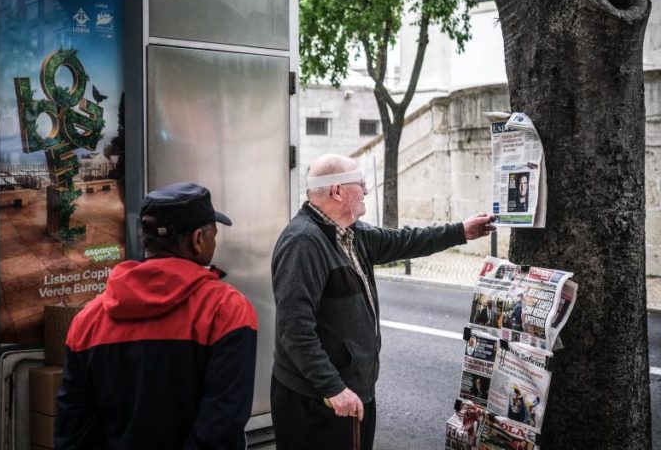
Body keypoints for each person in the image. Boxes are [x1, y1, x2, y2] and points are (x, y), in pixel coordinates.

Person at [270, 154, 495, 450]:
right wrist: (333, 388)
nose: (366, 189)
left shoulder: (351, 233)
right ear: (337, 191)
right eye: (360, 183)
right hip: (319, 402)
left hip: (351, 393)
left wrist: (460, 232)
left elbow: (404, 240)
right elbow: (294, 330)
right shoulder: (303, 242)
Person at [55, 182, 258, 449]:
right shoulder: (227, 310)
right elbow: (220, 426)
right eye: (213, 234)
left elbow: (74, 429)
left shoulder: (87, 321)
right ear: (198, 240)